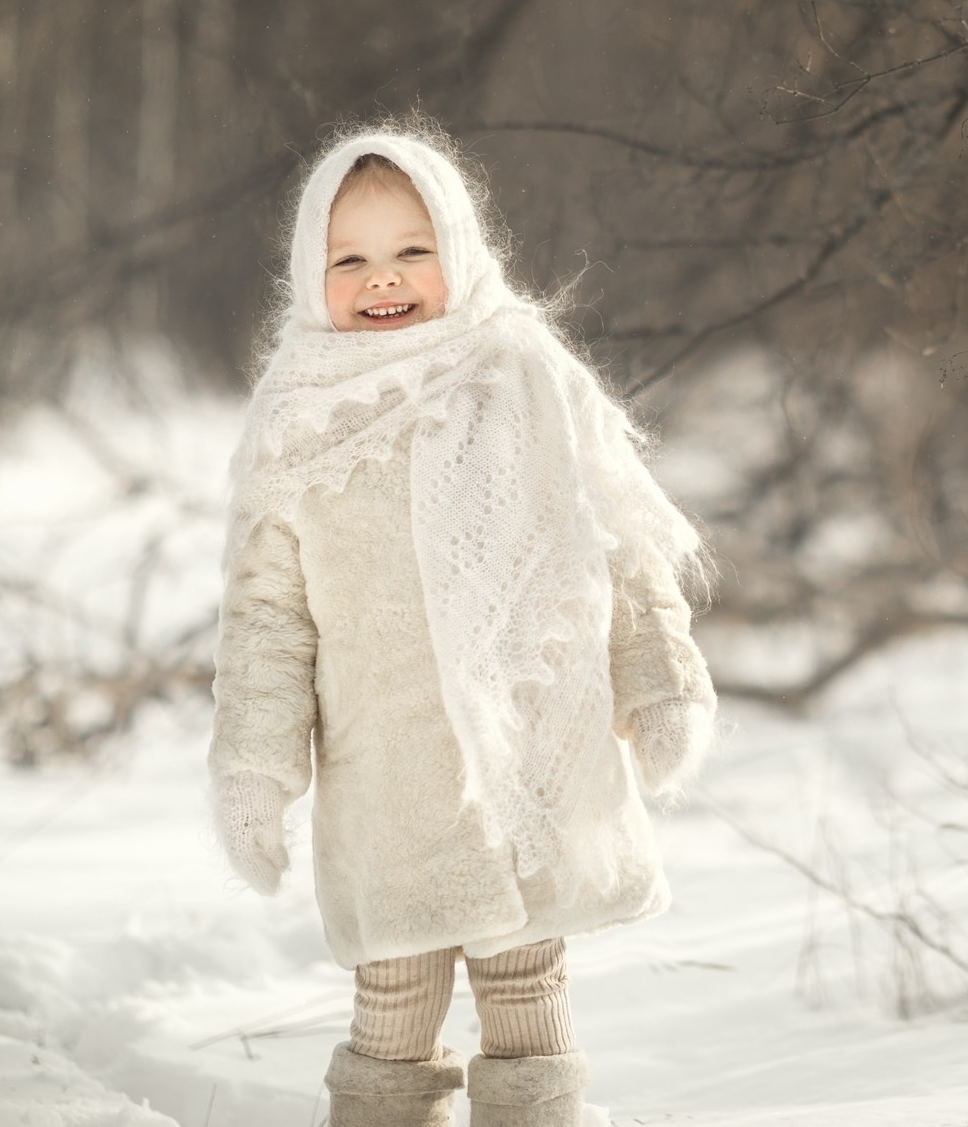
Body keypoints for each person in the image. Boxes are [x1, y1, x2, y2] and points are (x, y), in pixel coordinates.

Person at [205, 121, 716, 1127]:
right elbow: (266, 619)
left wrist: (659, 678)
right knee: (394, 1002)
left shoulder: (523, 373)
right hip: (386, 776)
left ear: (461, 246)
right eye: (349, 259)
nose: (382, 278)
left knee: (527, 987)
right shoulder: (296, 421)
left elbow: (616, 543)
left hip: (527, 754)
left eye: (412, 248)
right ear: (310, 272)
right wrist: (254, 764)